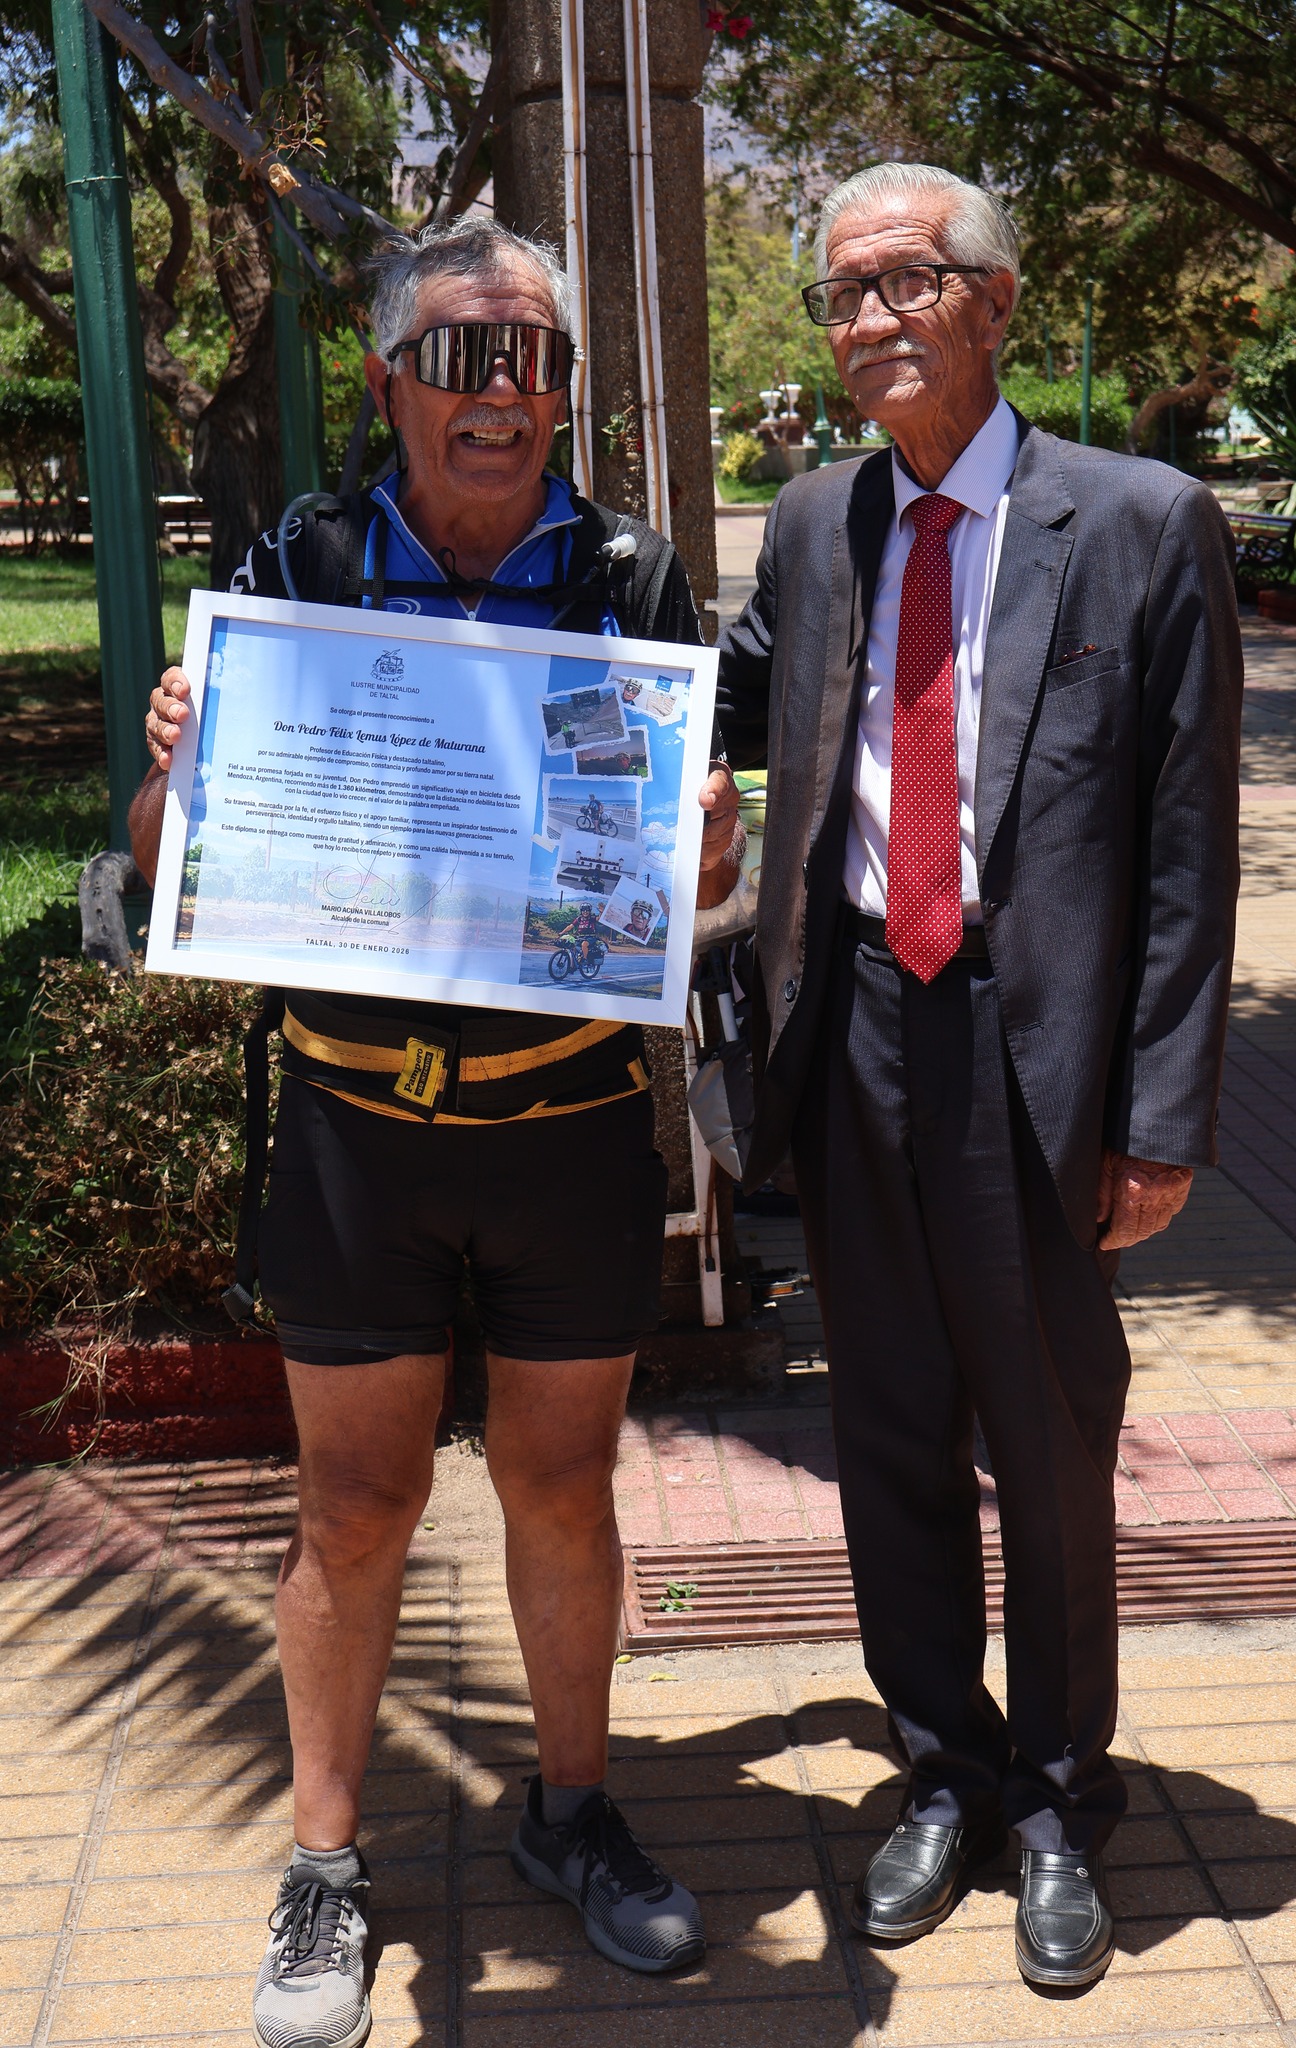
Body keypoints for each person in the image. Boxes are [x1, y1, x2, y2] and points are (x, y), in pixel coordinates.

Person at [131, 215, 707, 2048]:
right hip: (356, 1129)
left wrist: (695, 842)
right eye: (464, 358)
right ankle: (323, 1863)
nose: (504, 394)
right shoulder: (301, 555)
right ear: (387, 380)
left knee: (562, 1490)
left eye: (535, 359)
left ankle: (571, 1810)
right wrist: (176, 762)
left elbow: (693, 876)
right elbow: (171, 863)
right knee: (355, 1508)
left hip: (566, 1127)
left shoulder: (628, 572)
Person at [697, 161, 1241, 1989]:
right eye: (839, 294)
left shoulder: (1145, 523)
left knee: (1047, 1431)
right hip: (849, 1027)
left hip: (1039, 1051)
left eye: (902, 284)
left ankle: (1060, 1795)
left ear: (993, 304)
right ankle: (938, 1763)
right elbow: (704, 704)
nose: (864, 323)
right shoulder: (809, 524)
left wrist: (1160, 1119)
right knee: (888, 1428)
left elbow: (1185, 849)